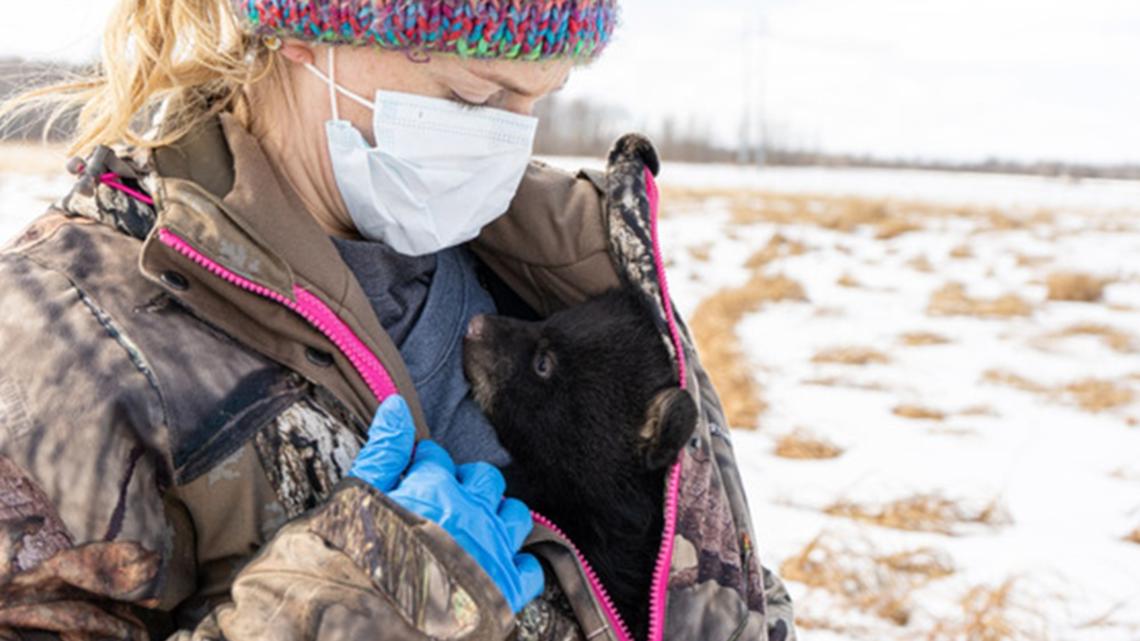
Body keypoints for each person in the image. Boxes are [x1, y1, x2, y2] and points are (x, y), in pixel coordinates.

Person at [0, 1, 796, 639]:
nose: (511, 143)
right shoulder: (59, 336)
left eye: (540, 101)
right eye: (474, 97)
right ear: (305, 33)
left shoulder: (575, 262)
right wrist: (359, 607)